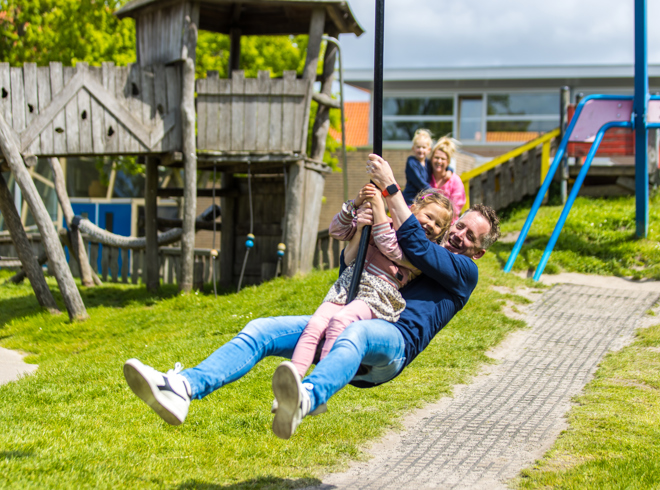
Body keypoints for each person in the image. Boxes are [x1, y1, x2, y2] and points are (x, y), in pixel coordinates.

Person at [123, 153, 500, 440]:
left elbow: (417, 247)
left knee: (357, 333)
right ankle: (183, 388)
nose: (460, 236)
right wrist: (361, 224)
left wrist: (389, 188)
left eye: (470, 237)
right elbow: (354, 271)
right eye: (461, 226)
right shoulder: (413, 243)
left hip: (391, 344)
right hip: (350, 319)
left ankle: (308, 396)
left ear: (478, 251)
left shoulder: (463, 273)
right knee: (262, 329)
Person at [288, 184, 454, 382]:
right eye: (428, 216)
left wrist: (378, 205)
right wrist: (356, 206)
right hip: (349, 284)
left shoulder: (423, 252)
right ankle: (294, 380)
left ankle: (321, 382)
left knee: (340, 322)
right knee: (315, 324)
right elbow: (337, 231)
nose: (430, 224)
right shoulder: (385, 222)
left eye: (437, 224)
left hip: (378, 294)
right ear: (412, 210)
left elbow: (388, 245)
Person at [428, 136, 466, 223]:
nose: (439, 161)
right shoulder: (425, 176)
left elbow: (455, 209)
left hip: (447, 225)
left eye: (443, 159)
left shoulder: (455, 181)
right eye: (436, 157)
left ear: (448, 162)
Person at [402, 129, 434, 205]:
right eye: (418, 147)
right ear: (413, 148)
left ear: (429, 150)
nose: (421, 150)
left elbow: (437, 168)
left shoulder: (428, 163)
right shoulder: (411, 162)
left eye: (423, 147)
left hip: (421, 200)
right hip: (410, 199)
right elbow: (419, 182)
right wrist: (433, 192)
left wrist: (449, 169)